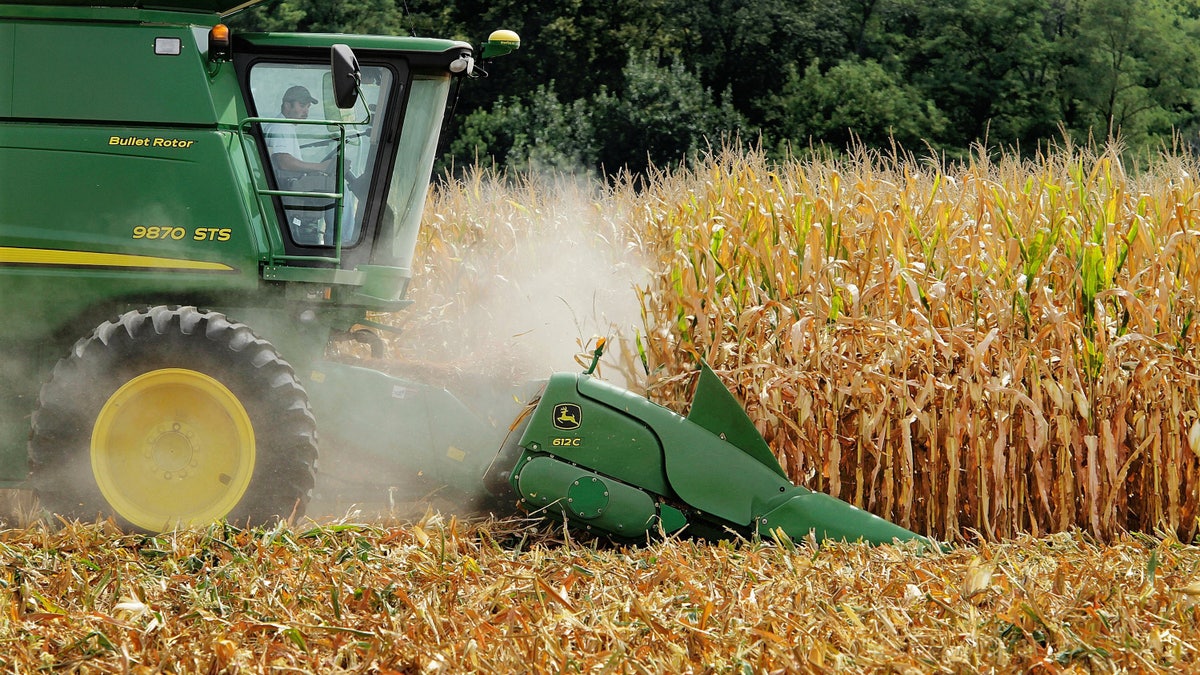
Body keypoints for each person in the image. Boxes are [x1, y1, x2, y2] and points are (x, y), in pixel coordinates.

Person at [264, 86, 341, 245]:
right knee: (338, 190)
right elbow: (284, 163)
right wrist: (320, 167)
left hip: (290, 186)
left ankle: (331, 241)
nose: (306, 111)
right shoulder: (281, 127)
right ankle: (341, 242)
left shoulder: (283, 126)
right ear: (287, 105)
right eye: (302, 105)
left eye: (308, 107)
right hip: (288, 188)